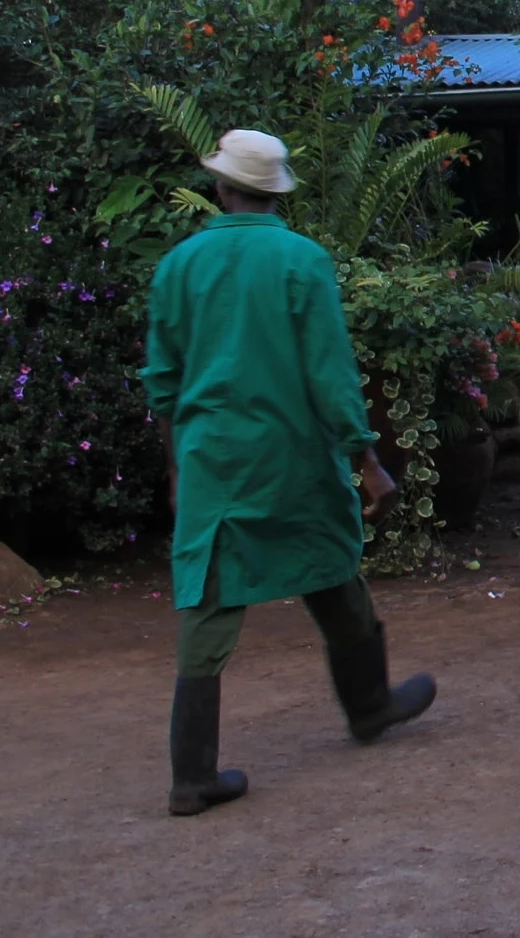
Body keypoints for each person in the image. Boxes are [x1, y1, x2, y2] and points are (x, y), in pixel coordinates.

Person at [143, 127, 437, 816]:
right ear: (278, 192)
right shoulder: (301, 260)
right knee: (332, 563)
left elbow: (162, 382)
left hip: (213, 462)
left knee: (210, 605)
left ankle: (192, 774)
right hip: (293, 458)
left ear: (220, 187)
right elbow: (330, 373)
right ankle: (368, 704)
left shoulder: (179, 265)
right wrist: (366, 459)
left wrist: (176, 468)